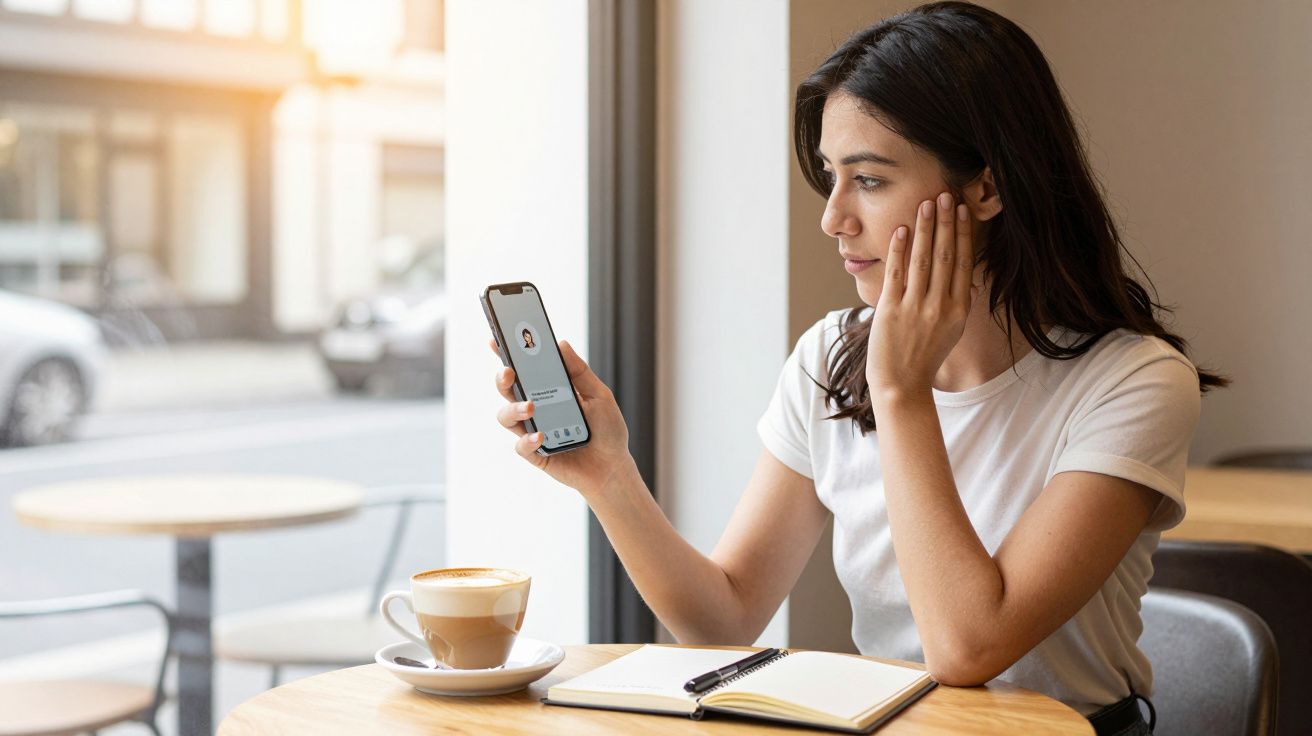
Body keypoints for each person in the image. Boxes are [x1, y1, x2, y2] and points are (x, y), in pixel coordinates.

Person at [490, 3, 1221, 733]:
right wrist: (609, 476)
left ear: (987, 191)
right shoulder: (827, 356)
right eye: (830, 177)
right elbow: (724, 615)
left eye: (868, 180)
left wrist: (901, 392)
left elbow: (970, 646)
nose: (833, 217)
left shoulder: (1136, 383)